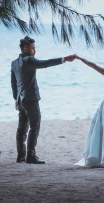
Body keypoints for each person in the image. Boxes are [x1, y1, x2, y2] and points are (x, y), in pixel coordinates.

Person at [11, 36, 75, 164]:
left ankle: (21, 156)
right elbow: (45, 63)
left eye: (34, 48)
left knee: (21, 129)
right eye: (32, 48)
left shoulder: (14, 63)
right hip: (30, 99)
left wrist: (16, 98)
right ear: (24, 48)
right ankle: (31, 156)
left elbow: (13, 84)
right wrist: (64, 59)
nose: (34, 50)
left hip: (21, 100)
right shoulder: (29, 60)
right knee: (35, 126)